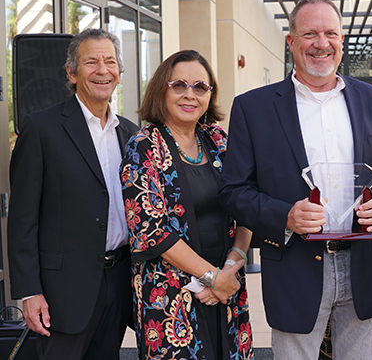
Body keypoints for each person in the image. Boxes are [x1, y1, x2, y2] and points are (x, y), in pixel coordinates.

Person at [218, 0, 372, 360]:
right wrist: (285, 215)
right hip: (295, 268)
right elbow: (233, 192)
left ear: (342, 39)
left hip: (364, 264)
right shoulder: (253, 107)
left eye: (330, 33)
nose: (322, 43)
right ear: (291, 41)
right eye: (310, 34)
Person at [7, 28, 139, 359]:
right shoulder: (41, 129)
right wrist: (29, 292)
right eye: (91, 61)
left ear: (119, 74)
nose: (102, 70)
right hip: (62, 292)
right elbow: (23, 219)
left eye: (110, 62)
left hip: (118, 283)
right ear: (71, 72)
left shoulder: (131, 134)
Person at [120, 50, 253, 359]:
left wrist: (234, 262)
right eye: (179, 84)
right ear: (161, 90)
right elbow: (151, 230)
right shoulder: (143, 147)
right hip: (170, 296)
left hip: (227, 289)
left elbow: (246, 199)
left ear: (210, 94)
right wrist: (212, 278)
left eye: (200, 87)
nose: (189, 94)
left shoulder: (218, 139)